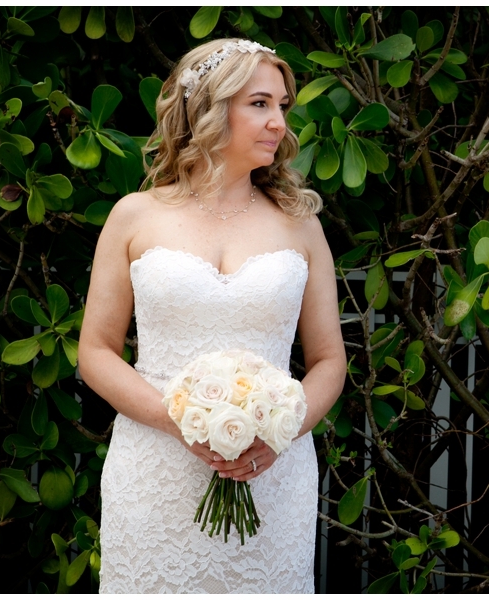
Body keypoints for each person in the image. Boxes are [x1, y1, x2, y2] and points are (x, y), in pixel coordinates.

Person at [77, 38, 346, 593]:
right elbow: (96, 352)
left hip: (272, 473)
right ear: (210, 108)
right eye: (260, 104)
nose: (279, 123)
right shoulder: (134, 217)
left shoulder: (301, 225)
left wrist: (281, 432)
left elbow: (328, 361)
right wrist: (179, 421)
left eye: (282, 106)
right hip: (154, 471)